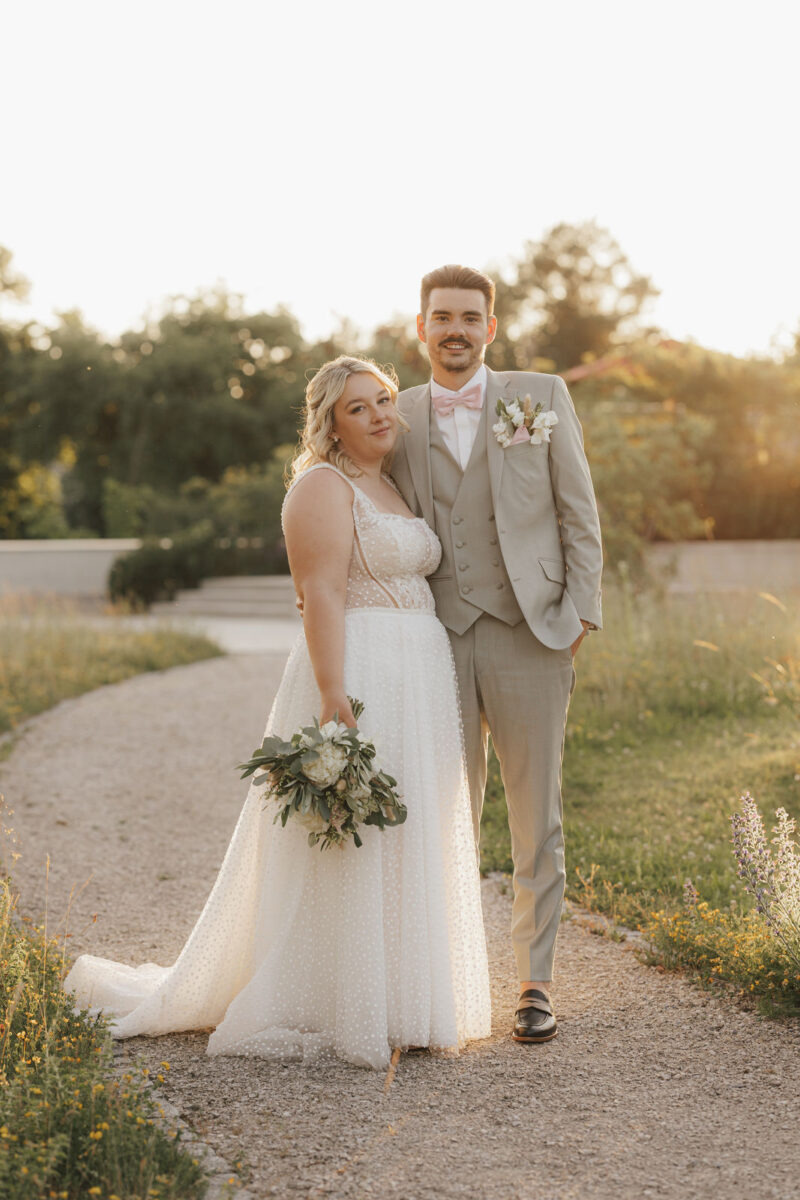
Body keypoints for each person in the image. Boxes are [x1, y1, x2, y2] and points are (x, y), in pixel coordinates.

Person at [64, 355, 491, 1070]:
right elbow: (321, 592)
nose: (380, 414)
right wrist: (333, 697)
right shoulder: (320, 487)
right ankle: (341, 1000)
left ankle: (404, 995)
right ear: (329, 423)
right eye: (358, 407)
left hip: (419, 672)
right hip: (363, 673)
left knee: (405, 826)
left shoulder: (388, 483)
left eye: (383, 399)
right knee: (353, 836)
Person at [391, 265, 603, 1044]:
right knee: (441, 814)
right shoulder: (398, 414)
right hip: (433, 638)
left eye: (469, 317)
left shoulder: (538, 397)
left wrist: (581, 613)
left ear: (490, 327)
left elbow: (578, 511)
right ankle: (444, 981)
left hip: (531, 630)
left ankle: (533, 985)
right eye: (441, 315)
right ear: (421, 327)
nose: (455, 328)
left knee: (533, 815)